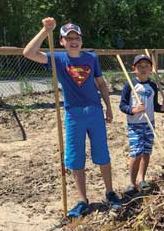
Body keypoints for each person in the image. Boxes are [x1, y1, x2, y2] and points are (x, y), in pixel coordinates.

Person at [23, 17, 121, 217]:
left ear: (81, 40)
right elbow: (28, 53)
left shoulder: (91, 58)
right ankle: (82, 200)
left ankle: (110, 193)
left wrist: (109, 108)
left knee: (102, 154)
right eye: (69, 38)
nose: (73, 41)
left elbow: (101, 84)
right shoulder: (58, 59)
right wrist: (45, 30)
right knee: (76, 158)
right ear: (62, 42)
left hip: (94, 111)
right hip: (73, 115)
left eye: (76, 37)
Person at [119, 54, 164, 196]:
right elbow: (122, 105)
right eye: (140, 66)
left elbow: (154, 106)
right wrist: (133, 110)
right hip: (135, 125)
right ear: (134, 69)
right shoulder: (130, 84)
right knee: (136, 152)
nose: (143, 69)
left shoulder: (153, 85)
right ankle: (132, 182)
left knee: (146, 151)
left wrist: (162, 108)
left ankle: (141, 178)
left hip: (149, 123)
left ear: (151, 68)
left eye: (146, 66)